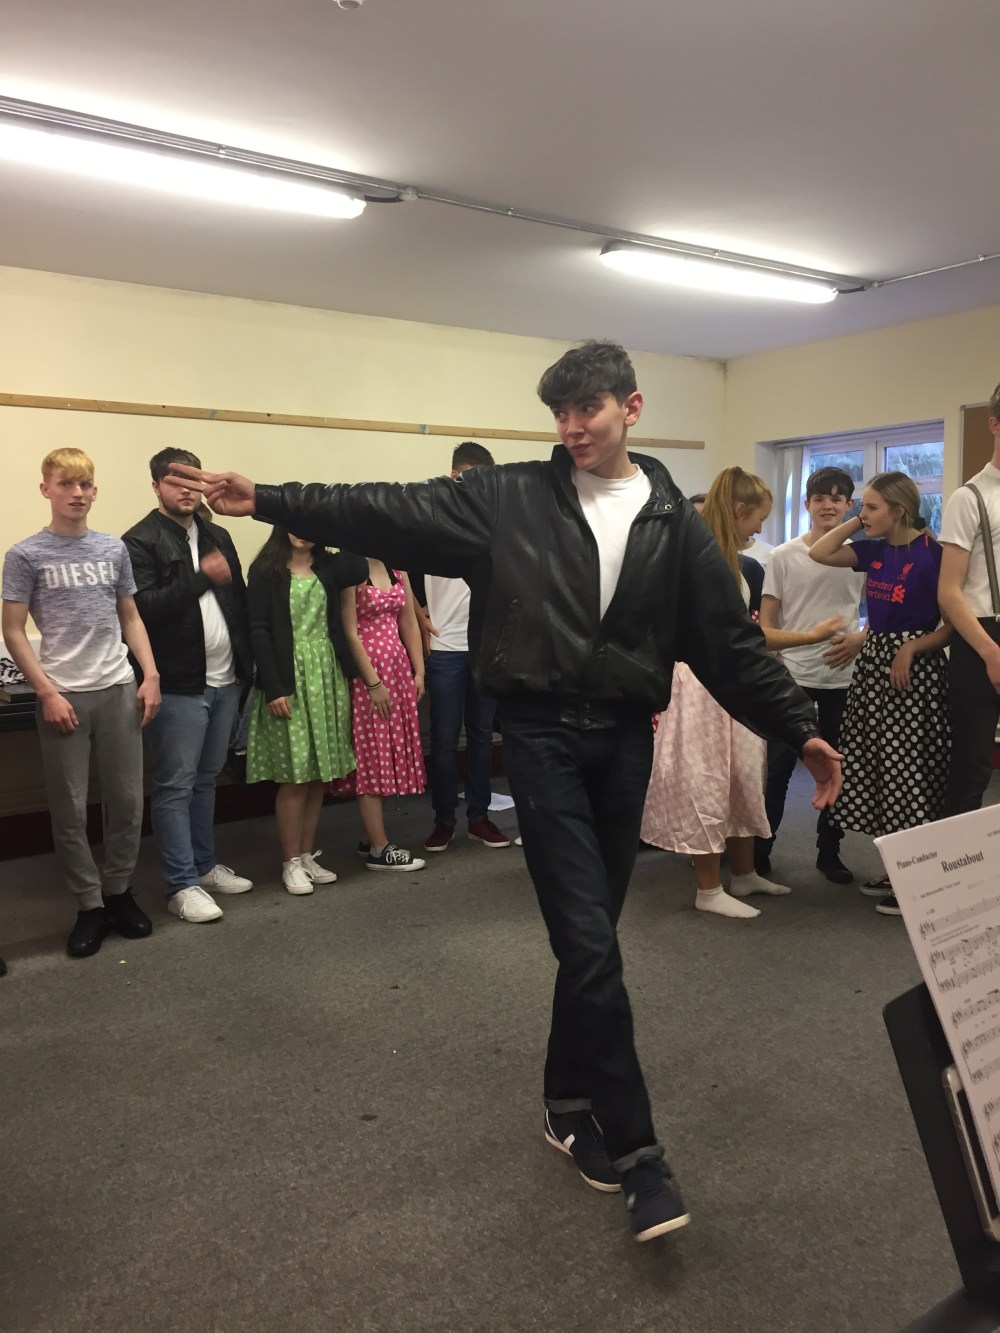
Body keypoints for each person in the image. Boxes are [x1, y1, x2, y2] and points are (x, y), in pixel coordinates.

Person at [168, 339, 841, 1244]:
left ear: (631, 407)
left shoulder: (669, 518)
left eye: (588, 409)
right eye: (559, 413)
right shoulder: (509, 496)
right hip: (538, 737)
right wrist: (274, 498)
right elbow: (389, 507)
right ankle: (640, 1152)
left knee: (590, 937)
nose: (572, 427)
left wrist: (798, 726)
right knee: (589, 939)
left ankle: (565, 1102)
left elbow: (728, 642)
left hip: (623, 742)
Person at [641, 467, 844, 920]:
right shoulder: (695, 563)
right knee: (706, 780)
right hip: (700, 686)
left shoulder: (739, 563)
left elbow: (745, 638)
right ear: (738, 510)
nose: (758, 529)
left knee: (744, 776)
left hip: (734, 682)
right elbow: (739, 638)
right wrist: (811, 636)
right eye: (757, 519)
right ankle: (708, 887)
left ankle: (744, 872)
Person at [1, 448, 160, 957]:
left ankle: (118, 892)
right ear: (45, 489)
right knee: (70, 808)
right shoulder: (25, 555)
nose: (77, 493)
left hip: (117, 688)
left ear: (95, 491)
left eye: (85, 484)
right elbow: (13, 629)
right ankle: (89, 904)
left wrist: (150, 674)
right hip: (63, 696)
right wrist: (46, 691)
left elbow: (130, 616)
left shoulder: (113, 550)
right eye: (66, 484)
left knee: (128, 801)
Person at [809, 472, 952, 915]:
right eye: (862, 506)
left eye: (871, 507)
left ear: (900, 510)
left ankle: (917, 881)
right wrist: (858, 521)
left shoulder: (934, 554)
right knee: (878, 770)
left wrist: (912, 647)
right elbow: (819, 551)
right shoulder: (874, 550)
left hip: (913, 674)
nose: (862, 513)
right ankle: (897, 871)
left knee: (910, 773)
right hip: (873, 669)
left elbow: (951, 627)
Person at [122, 448, 253, 925]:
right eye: (175, 482)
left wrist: (249, 668)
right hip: (178, 684)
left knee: (206, 779)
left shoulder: (218, 534)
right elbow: (142, 610)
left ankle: (204, 866)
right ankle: (180, 884)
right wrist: (199, 579)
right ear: (156, 486)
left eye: (193, 483)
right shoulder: (139, 541)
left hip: (225, 678)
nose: (186, 491)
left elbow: (237, 602)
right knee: (175, 785)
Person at [755, 467, 867, 884]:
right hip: (793, 678)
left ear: (849, 505)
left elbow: (883, 612)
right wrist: (778, 662)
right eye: (820, 498)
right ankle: (761, 851)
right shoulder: (783, 556)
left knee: (837, 768)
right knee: (778, 771)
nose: (828, 505)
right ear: (807, 504)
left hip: (843, 676)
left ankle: (829, 852)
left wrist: (860, 639)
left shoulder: (859, 556)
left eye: (837, 498)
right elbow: (767, 622)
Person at [246, 527, 367, 892]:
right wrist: (274, 686)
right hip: (289, 677)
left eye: (308, 524)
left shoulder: (328, 565)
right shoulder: (266, 569)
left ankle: (305, 854)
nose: (300, 532)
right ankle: (290, 862)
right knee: (295, 776)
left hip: (326, 675)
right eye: (293, 523)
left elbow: (359, 567)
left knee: (318, 775)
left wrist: (332, 521)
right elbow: (258, 629)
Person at [418, 441, 510, 853]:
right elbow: (402, 570)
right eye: (470, 478)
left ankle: (478, 817)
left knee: (481, 735)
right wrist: (417, 612)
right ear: (454, 475)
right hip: (445, 646)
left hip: (485, 648)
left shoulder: (496, 523)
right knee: (442, 739)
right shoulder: (432, 520)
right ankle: (443, 820)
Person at [938, 382, 1000, 818]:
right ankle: (953, 860)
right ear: (994, 425)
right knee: (971, 766)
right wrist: (991, 652)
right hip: (981, 637)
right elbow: (948, 590)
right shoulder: (970, 497)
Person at [342, 558, 428, 871]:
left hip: (397, 669)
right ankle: (380, 849)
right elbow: (349, 632)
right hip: (369, 673)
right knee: (372, 755)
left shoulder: (397, 569)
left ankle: (370, 836)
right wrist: (372, 682)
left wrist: (419, 670)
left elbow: (409, 623)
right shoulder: (352, 571)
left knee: (389, 751)